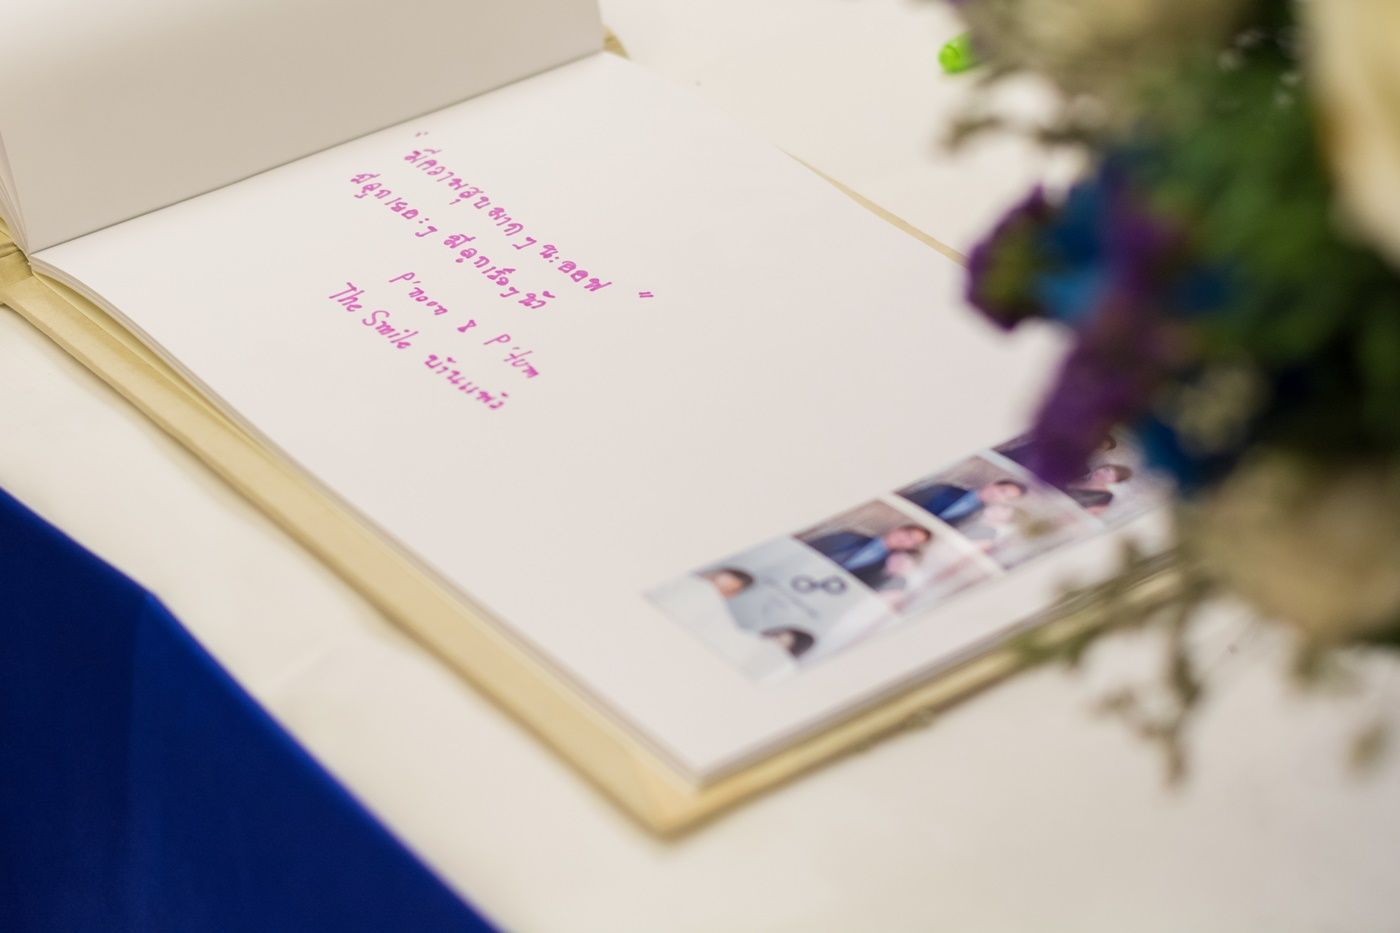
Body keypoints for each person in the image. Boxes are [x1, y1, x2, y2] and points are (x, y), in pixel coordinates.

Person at [804, 524, 931, 576]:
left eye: (912, 542)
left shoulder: (885, 567)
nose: (905, 540)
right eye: (908, 535)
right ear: (898, 529)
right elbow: (809, 547)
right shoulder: (848, 536)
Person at [904, 478, 1026, 526]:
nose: (998, 496)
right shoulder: (945, 488)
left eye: (1006, 497)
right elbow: (907, 500)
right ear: (992, 484)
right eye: (1002, 490)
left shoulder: (976, 519)